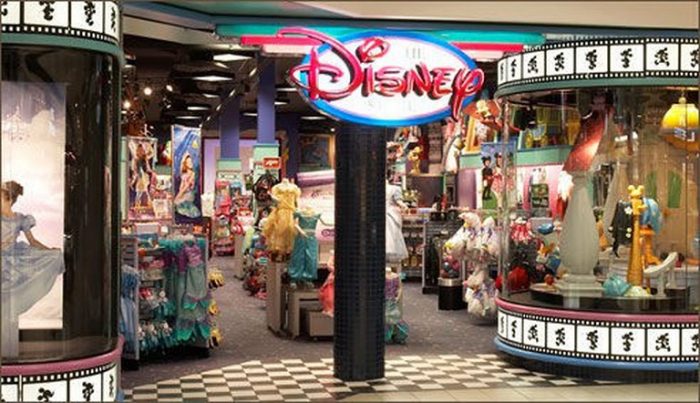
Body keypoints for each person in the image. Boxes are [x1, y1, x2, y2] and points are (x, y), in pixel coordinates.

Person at [2, 181, 64, 357]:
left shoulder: (20, 219)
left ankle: (8, 351)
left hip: (13, 265)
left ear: (9, 199)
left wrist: (49, 251)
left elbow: (33, 242)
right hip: (4, 263)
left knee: (9, 307)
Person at [174, 153, 201, 218]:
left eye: (191, 162)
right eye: (188, 162)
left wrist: (178, 195)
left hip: (188, 194)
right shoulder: (184, 174)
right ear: (185, 164)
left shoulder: (193, 174)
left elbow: (187, 187)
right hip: (182, 193)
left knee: (177, 203)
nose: (190, 163)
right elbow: (181, 187)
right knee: (175, 203)